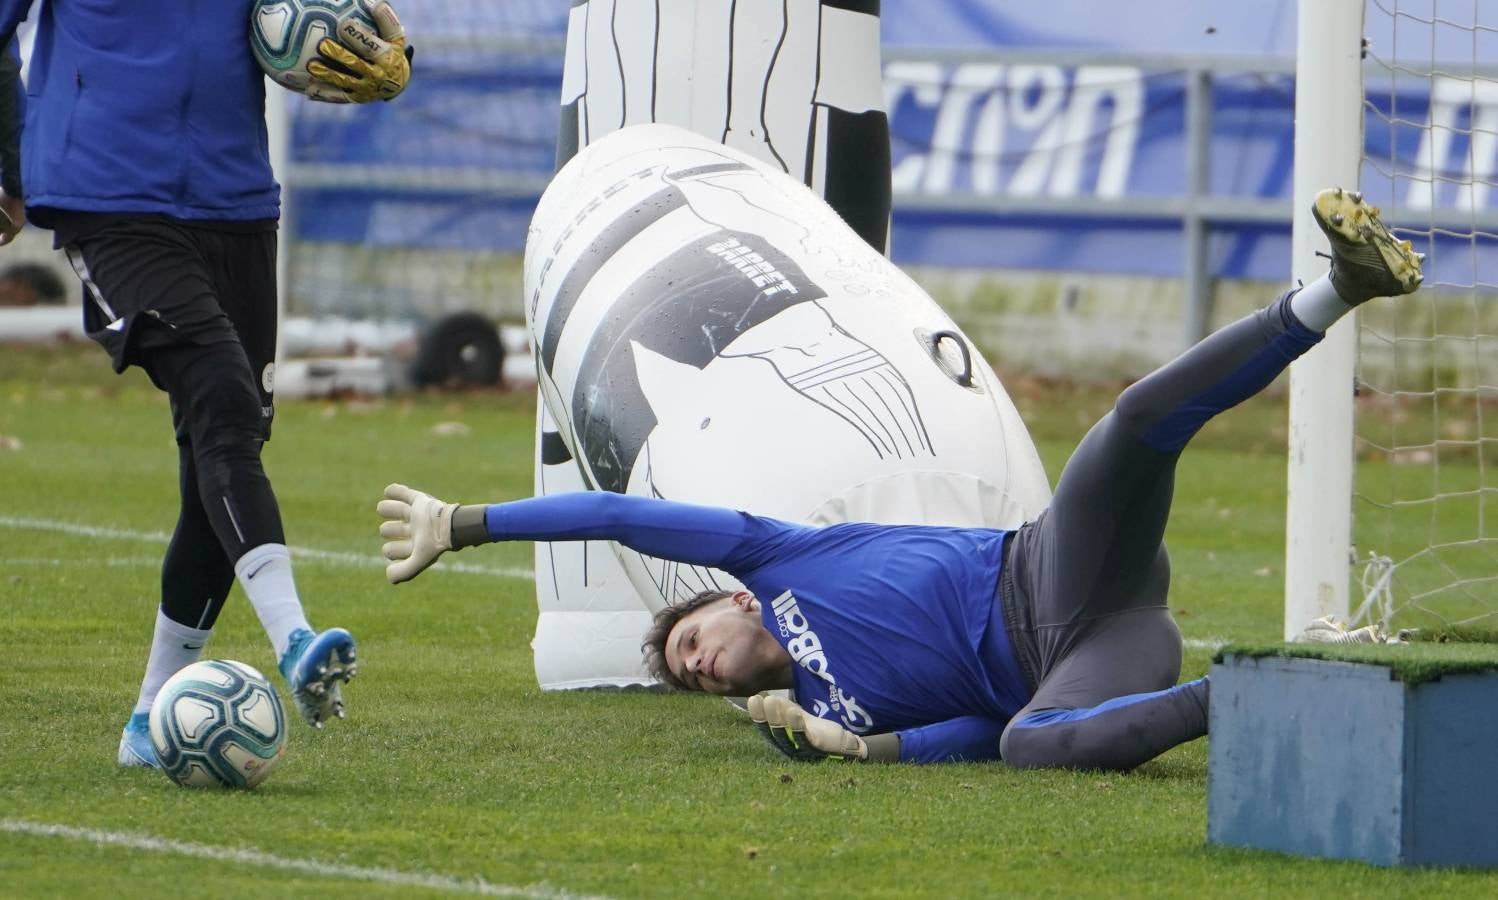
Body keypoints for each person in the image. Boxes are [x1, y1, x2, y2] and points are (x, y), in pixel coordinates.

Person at [377, 186, 1421, 770]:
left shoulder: (774, 554)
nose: (694, 666)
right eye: (688, 676)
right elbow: (976, 730)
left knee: (1135, 421)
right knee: (1030, 750)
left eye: (689, 642)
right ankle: (1264, 690)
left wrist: (465, 523)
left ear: (732, 598)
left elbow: (615, 512)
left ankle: (1334, 288)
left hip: (1050, 571)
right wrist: (866, 751)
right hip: (1099, 653)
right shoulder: (827, 715)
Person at [0, 1, 412, 767]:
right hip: (106, 195)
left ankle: (149, 716)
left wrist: (383, 52)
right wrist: (6, 163)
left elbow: (314, 14)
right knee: (222, 397)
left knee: (222, 459)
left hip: (237, 202)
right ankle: (295, 641)